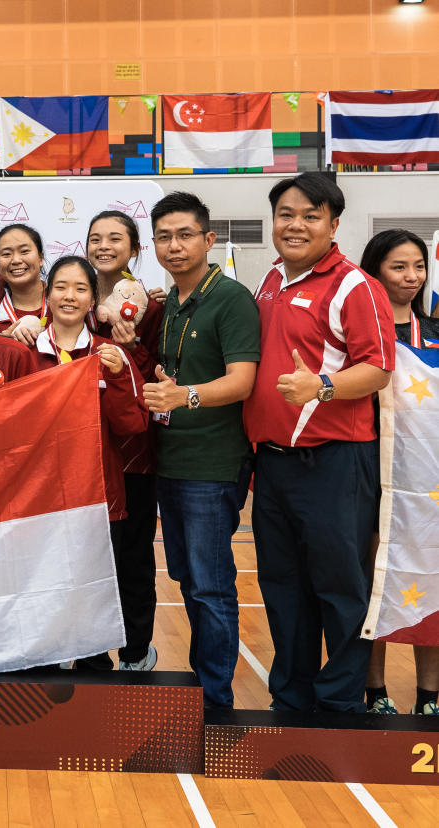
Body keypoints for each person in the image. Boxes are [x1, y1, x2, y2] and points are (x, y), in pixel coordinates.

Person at [245, 172, 395, 713]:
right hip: (275, 464)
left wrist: (322, 386)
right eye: (286, 213)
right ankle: (292, 696)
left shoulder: (356, 287)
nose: (296, 224)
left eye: (311, 215)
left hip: (336, 461)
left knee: (340, 589)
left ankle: (338, 702)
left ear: (334, 224)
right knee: (283, 587)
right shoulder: (269, 282)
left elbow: (377, 369)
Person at [140, 193, 260, 707]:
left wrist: (182, 395)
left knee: (211, 586)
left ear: (209, 240)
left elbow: (242, 382)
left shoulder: (230, 297)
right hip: (171, 460)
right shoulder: (169, 302)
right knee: (188, 579)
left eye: (185, 234)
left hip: (212, 466)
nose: (175, 245)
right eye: (164, 237)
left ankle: (215, 700)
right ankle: (201, 689)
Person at [359, 229, 439, 715]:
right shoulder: (360, 333)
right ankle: (374, 691)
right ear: (374, 271)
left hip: (429, 484)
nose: (411, 277)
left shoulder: (437, 331)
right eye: (398, 267)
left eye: (418, 267)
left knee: (431, 580)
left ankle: (430, 696)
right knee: (376, 583)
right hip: (373, 476)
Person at [85, 209, 167, 674]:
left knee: (132, 556)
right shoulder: (71, 299)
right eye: (95, 238)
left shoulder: (153, 307)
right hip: (80, 454)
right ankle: (90, 650)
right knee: (87, 558)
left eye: (116, 238)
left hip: (132, 456)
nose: (104, 246)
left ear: (135, 248)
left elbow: (155, 374)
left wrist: (131, 344)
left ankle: (136, 651)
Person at [29, 256, 148, 531]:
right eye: (60, 287)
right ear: (47, 295)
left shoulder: (111, 353)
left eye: (81, 289)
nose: (70, 296)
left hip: (100, 498)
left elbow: (132, 425)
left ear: (93, 300)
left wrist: (117, 376)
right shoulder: (25, 354)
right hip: (37, 501)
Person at [0, 223, 45, 339]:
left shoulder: (63, 304)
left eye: (24, 251)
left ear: (40, 258)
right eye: (6, 254)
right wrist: (2, 345)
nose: (16, 260)